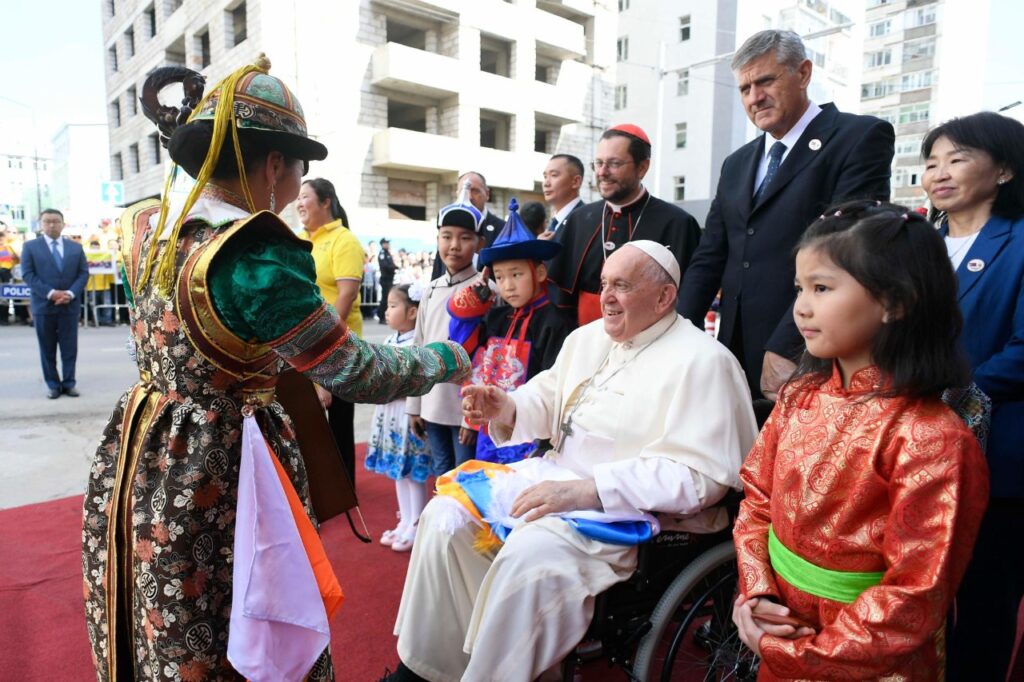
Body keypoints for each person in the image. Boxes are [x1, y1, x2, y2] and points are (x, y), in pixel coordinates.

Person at [81, 57, 471, 681]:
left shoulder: (144, 226)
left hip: (144, 440)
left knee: (160, 604)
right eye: (298, 170)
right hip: (220, 459)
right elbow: (354, 369)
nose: (297, 187)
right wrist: (444, 358)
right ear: (271, 166)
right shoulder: (252, 251)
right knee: (233, 609)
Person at [387, 241, 757, 682]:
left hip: (626, 515)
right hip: (555, 479)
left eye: (622, 286)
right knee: (446, 517)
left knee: (529, 558)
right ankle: (428, 669)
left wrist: (590, 490)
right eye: (604, 284)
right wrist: (506, 406)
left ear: (664, 297)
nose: (607, 297)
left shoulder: (704, 362)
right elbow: (548, 396)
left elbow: (700, 478)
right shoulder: (587, 337)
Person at [731, 201, 989, 679]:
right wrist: (757, 591)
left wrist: (802, 653)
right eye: (800, 288)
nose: (801, 307)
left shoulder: (932, 437)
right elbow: (758, 499)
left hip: (864, 657)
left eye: (822, 288)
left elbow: (914, 594)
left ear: (895, 301)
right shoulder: (799, 396)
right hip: (780, 626)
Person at [678, 29, 895, 400]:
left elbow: (846, 253)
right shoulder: (737, 163)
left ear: (804, 73)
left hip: (808, 352)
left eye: (766, 81)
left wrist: (787, 344)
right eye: (745, 89)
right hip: (732, 353)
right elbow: (711, 254)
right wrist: (678, 332)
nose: (755, 97)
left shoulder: (858, 138)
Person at [920, 111, 1024, 680]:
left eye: (957, 158)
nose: (939, 172)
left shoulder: (1020, 241)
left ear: (1003, 169)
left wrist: (950, 395)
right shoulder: (915, 246)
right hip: (913, 450)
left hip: (997, 453)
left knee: (984, 602)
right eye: (931, 161)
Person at [447, 199, 573, 463]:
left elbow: (556, 386)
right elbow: (462, 353)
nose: (508, 286)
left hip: (532, 435)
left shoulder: (556, 322)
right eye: (500, 277)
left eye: (516, 274)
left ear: (540, 272)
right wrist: (471, 307)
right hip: (490, 432)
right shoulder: (496, 317)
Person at [548, 124, 702, 327]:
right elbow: (560, 297)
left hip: (648, 337)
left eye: (614, 163)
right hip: (583, 335)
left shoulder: (677, 223)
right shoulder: (580, 218)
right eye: (599, 163)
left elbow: (687, 301)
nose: (602, 172)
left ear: (642, 168)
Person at [408, 200, 486, 475]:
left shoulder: (485, 290)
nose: (454, 245)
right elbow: (417, 348)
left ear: (479, 243)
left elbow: (487, 359)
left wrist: (473, 418)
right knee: (442, 472)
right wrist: (414, 405)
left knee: (465, 474)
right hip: (432, 402)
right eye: (447, 236)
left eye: (464, 238)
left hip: (464, 406)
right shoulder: (430, 290)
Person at [297, 177, 365, 487]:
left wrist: (322, 343)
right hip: (301, 345)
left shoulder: (343, 240)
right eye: (298, 197)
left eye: (305, 197)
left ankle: (342, 488)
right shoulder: (298, 240)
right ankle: (316, 486)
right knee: (307, 422)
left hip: (337, 345)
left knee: (338, 423)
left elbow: (346, 296)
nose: (299, 203)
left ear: (325, 202)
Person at [366, 283, 432, 553]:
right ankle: (404, 519)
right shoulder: (389, 341)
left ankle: (417, 523)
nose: (387, 310)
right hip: (389, 412)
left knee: (413, 472)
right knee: (398, 470)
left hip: (407, 413)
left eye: (393, 306)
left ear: (413, 312)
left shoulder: (417, 343)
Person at [20, 208, 89, 399]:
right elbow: (28, 274)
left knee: (69, 347)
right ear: (41, 224)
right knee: (47, 348)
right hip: (43, 306)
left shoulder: (75, 248)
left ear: (63, 224)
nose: (52, 225)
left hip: (69, 305)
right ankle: (53, 385)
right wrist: (51, 293)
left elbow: (83, 273)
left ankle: (69, 383)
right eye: (47, 221)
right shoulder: (30, 247)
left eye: (56, 221)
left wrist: (70, 293)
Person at [430, 171, 504, 279]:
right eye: (463, 190)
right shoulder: (447, 223)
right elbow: (438, 272)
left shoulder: (502, 229)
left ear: (487, 194)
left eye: (475, 191)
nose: (469, 196)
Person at [538, 153, 584, 241]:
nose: (546, 183)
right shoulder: (554, 223)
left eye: (554, 175)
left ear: (575, 182)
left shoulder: (585, 220)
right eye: (545, 177)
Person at [0, 223, 30, 325]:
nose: (11, 234)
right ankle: (4, 317)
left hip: (13, 272)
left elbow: (21, 258)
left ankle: (21, 317)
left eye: (14, 232)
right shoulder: (4, 244)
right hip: (4, 271)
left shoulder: (18, 244)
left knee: (15, 294)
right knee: (4, 295)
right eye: (8, 232)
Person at [378, 237, 397, 323]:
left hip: (389, 278)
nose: (388, 245)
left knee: (387, 298)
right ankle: (382, 317)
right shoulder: (382, 254)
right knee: (385, 298)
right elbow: (385, 266)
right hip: (385, 279)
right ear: (382, 244)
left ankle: (384, 317)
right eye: (386, 243)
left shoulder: (387, 253)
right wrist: (393, 267)